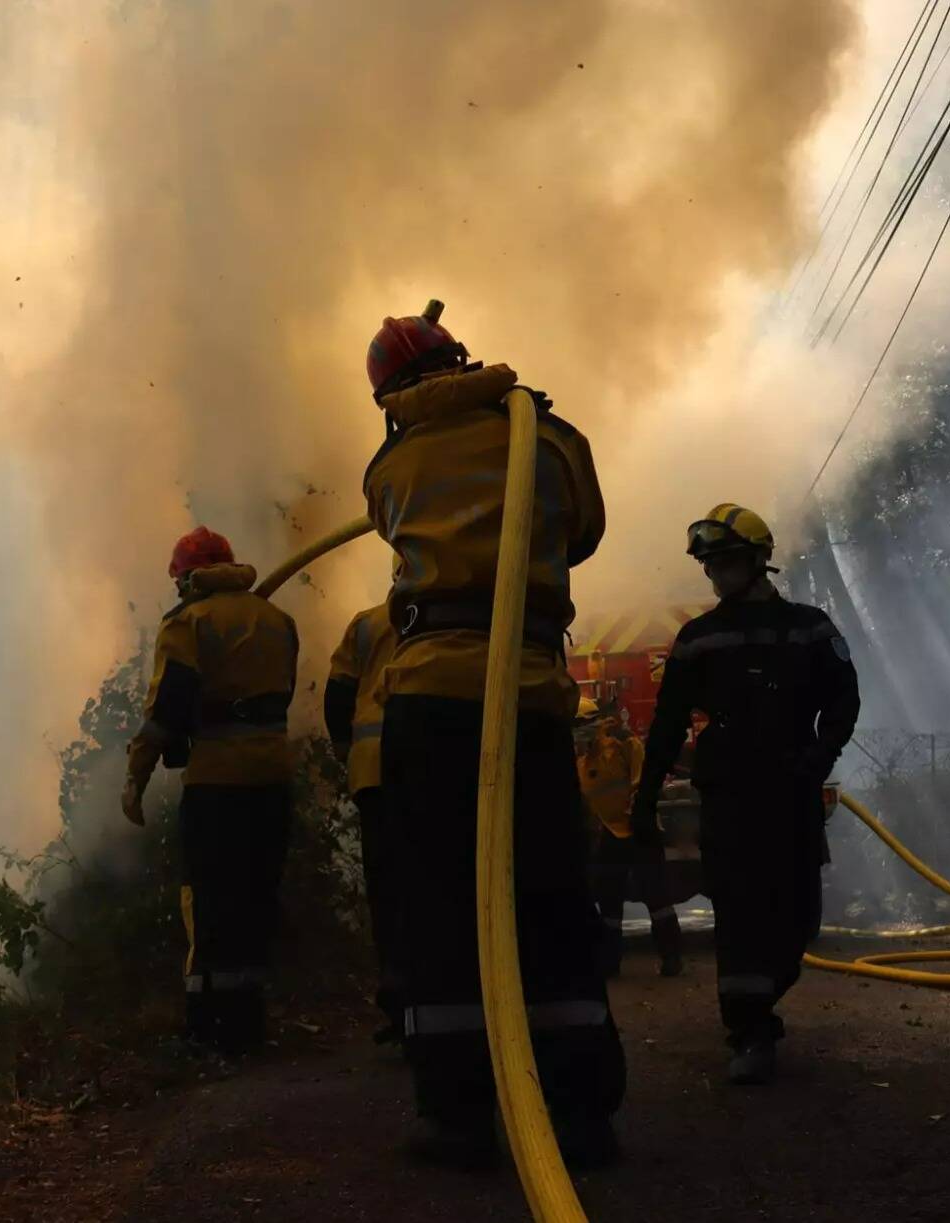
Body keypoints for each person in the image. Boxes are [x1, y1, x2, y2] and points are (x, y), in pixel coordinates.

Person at [363, 300, 625, 1167]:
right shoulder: (543, 436)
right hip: (525, 689)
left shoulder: (391, 463)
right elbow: (581, 532)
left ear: (390, 391)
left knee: (438, 900)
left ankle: (458, 1109)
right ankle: (577, 1110)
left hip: (429, 695)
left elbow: (392, 527)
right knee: (547, 886)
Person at [630, 504, 860, 1084]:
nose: (716, 574)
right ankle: (751, 1031)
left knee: (798, 914)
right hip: (730, 795)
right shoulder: (698, 639)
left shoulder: (810, 627)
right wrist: (645, 793)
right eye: (710, 564)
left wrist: (817, 759)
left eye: (726, 561)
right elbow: (667, 723)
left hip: (791, 792)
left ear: (760, 560)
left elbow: (843, 701)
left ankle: (766, 996)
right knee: (736, 910)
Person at [121, 526, 299, 1055]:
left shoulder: (187, 623)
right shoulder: (277, 620)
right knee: (256, 897)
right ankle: (249, 1028)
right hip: (273, 777)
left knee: (210, 902)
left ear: (188, 578)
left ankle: (207, 1029)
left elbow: (166, 713)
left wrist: (137, 775)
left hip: (217, 783)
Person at [324, 595, 404, 1041]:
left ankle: (398, 1002)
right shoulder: (463, 613)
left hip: (373, 772)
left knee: (387, 889)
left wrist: (346, 751)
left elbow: (338, 694)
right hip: (437, 767)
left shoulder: (367, 624)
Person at [574, 697, 685, 978]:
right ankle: (610, 963)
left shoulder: (624, 744)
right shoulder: (581, 761)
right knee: (609, 903)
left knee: (657, 898)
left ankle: (672, 958)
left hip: (639, 829)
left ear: (593, 724)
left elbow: (643, 780)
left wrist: (639, 813)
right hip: (610, 835)